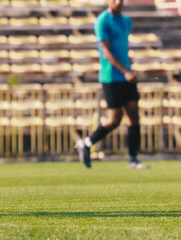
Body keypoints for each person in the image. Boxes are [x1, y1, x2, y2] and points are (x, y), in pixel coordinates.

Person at [76, 0, 148, 169]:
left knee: (134, 116)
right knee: (114, 120)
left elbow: (121, 47)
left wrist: (129, 63)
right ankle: (86, 142)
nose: (118, 2)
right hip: (111, 77)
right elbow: (106, 52)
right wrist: (125, 71)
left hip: (126, 76)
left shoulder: (126, 21)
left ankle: (133, 159)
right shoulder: (102, 21)